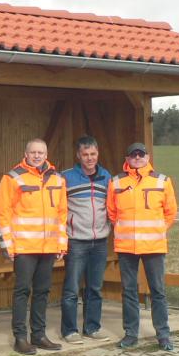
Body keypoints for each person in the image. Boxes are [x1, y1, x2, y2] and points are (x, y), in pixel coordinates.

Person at [0, 138, 68, 355]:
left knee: (43, 291)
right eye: (33, 152)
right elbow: (2, 213)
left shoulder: (58, 178)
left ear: (46, 155)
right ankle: (20, 337)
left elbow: (62, 214)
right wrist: (8, 246)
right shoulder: (13, 178)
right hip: (24, 247)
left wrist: (61, 243)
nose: (37, 156)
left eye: (41, 153)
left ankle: (39, 334)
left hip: (48, 247)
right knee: (22, 291)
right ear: (26, 154)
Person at [107, 142, 178, 351]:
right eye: (133, 155)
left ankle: (163, 335)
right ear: (127, 159)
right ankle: (130, 334)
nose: (137, 158)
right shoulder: (116, 182)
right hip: (126, 246)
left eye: (141, 154)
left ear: (147, 157)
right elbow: (112, 212)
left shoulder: (162, 181)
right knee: (129, 291)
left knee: (158, 291)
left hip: (154, 246)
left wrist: (158, 230)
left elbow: (171, 212)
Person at [60, 136, 112, 344]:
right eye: (85, 154)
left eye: (93, 154)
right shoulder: (66, 177)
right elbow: (57, 208)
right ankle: (69, 330)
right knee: (71, 288)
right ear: (78, 155)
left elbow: (112, 206)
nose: (89, 158)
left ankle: (92, 327)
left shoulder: (106, 176)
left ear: (97, 154)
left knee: (95, 288)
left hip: (100, 241)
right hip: (76, 241)